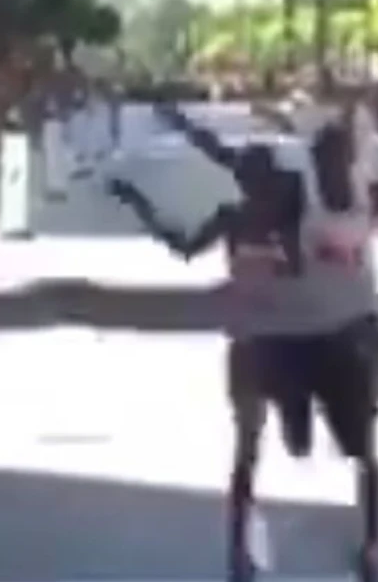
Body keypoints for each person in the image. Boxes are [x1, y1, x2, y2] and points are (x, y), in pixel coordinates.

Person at [154, 98, 378, 582]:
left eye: (345, 165)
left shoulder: (372, 194)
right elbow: (230, 159)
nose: (341, 178)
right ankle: (241, 549)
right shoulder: (290, 192)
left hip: (338, 338)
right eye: (331, 165)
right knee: (250, 445)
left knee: (364, 448)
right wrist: (182, 125)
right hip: (282, 338)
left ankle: (370, 548)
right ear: (315, 165)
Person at [106, 146, 308, 582]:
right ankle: (240, 551)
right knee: (255, 447)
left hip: (257, 345)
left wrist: (139, 204)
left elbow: (182, 245)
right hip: (273, 345)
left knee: (248, 452)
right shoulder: (280, 222)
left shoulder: (245, 219)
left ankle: (239, 551)